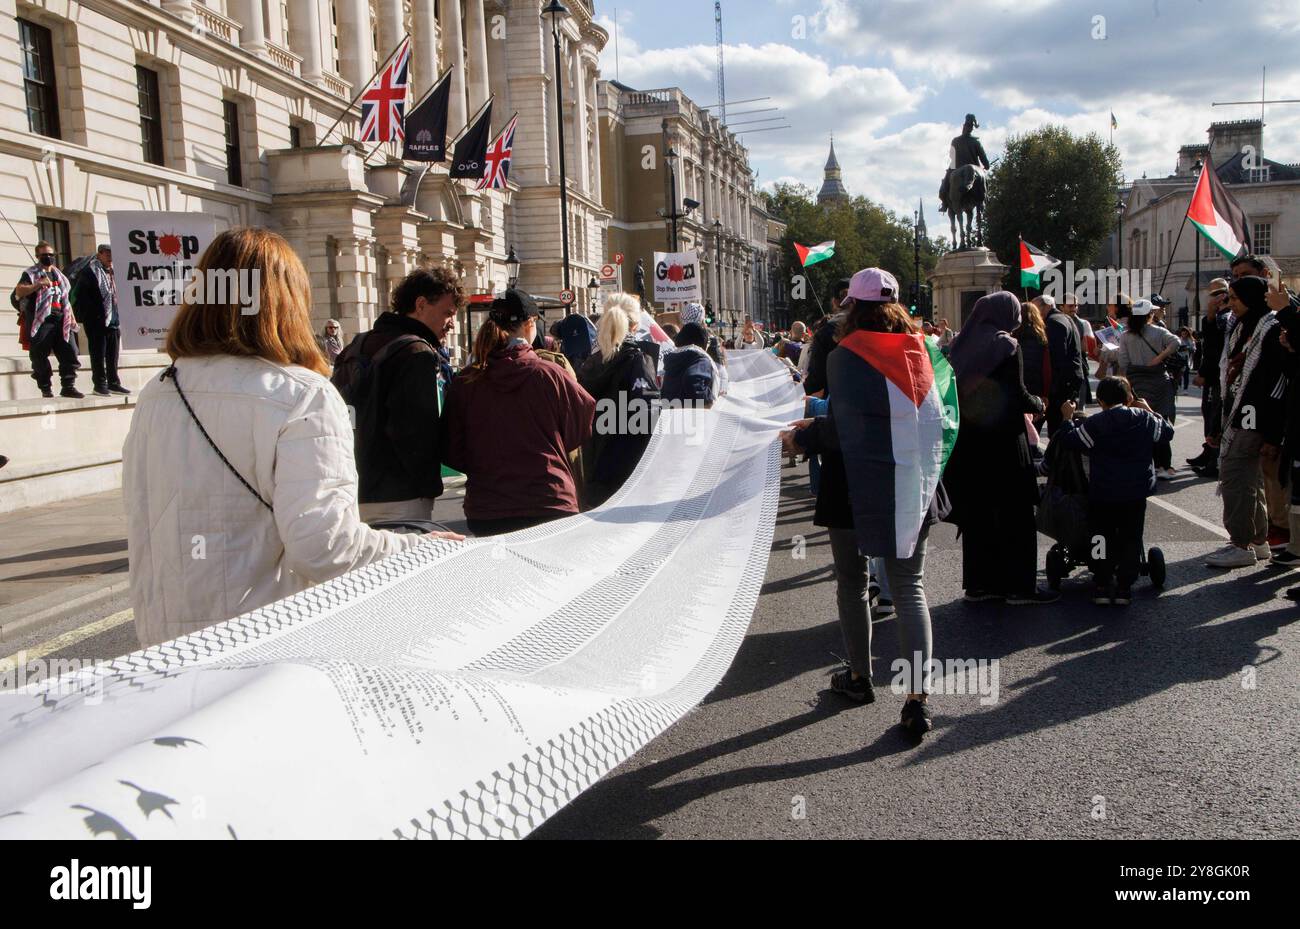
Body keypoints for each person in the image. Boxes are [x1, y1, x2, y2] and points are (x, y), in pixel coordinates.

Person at [122, 228, 457, 648]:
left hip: (162, 641)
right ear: (289, 302)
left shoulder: (158, 390)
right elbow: (324, 547)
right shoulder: (302, 394)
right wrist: (423, 548)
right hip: (261, 639)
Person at [782, 267, 938, 735]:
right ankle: (917, 699)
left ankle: (859, 676)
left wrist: (803, 437)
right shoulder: (923, 351)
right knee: (910, 587)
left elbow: (849, 431)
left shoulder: (846, 355)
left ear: (851, 305)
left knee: (851, 582)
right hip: (911, 480)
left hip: (853, 482)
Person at [443, 290, 595, 536]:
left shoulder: (467, 381)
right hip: (548, 499)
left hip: (488, 506)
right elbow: (580, 426)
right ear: (530, 324)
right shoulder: (550, 374)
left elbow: (452, 445)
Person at [945, 291, 1056, 604]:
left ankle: (980, 584)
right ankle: (1019, 586)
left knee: (979, 512)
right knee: (1015, 512)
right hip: (1004, 441)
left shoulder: (959, 345)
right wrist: (1038, 402)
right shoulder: (1006, 344)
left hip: (969, 441)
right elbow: (1017, 392)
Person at [335, 268, 464, 526]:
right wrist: (428, 485)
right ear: (420, 304)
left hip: (351, 488)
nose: (451, 323)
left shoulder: (357, 345)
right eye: (447, 313)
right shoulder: (417, 353)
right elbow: (415, 433)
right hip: (400, 496)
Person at [1056, 378, 1174, 606]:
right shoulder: (1145, 419)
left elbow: (1071, 441)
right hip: (1135, 491)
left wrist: (1067, 419)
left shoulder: (1097, 423)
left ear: (1100, 401)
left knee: (1100, 537)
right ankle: (1124, 586)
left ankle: (1101, 580)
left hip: (1104, 492)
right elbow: (1167, 434)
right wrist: (1149, 409)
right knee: (1131, 537)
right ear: (1130, 398)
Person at [1205, 276, 1289, 568]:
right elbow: (1226, 376)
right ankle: (1257, 540)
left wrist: (1272, 434)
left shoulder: (1271, 327)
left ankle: (1240, 544)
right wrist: (1219, 422)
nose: (1230, 304)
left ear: (1252, 298)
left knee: (1236, 476)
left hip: (1256, 416)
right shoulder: (1239, 326)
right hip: (1238, 412)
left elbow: (1277, 381)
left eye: (1235, 298)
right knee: (1249, 479)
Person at [577, 293, 661, 508]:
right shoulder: (638, 361)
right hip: (628, 473)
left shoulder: (589, 364)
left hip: (592, 467)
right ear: (635, 326)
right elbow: (648, 416)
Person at [1115, 299, 1180, 481]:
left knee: (1141, 422)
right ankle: (1164, 466)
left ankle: (1146, 463)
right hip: (1159, 379)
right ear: (1150, 314)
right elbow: (1175, 342)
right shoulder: (1158, 331)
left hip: (1136, 381)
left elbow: (1123, 362)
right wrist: (1159, 358)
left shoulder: (1126, 336)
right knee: (1161, 420)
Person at [12, 241, 81, 398]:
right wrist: (38, 284)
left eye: (51, 255)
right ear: (37, 256)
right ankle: (45, 388)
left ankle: (68, 386)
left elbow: (66, 299)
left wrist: (72, 317)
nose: (48, 257)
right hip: (42, 320)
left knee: (70, 351)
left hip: (61, 319)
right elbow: (19, 290)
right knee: (39, 354)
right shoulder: (30, 274)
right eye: (44, 255)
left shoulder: (60, 276)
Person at [70, 244, 128, 396]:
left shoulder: (114, 273)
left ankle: (114, 383)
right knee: (98, 353)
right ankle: (99, 384)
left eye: (112, 254)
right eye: (107, 254)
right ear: (99, 254)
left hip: (114, 320)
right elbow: (83, 297)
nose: (110, 257)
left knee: (113, 354)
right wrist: (93, 315)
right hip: (97, 321)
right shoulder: (90, 272)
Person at [1189, 279, 1231, 477]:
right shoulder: (1217, 318)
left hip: (1218, 376)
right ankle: (1210, 454)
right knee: (1210, 415)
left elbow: (1214, 350)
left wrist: (1204, 373)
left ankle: (1214, 460)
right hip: (1216, 375)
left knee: (1216, 417)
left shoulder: (1226, 318)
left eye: (1218, 294)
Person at [1035, 293, 1085, 434]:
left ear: (1047, 306)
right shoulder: (1065, 318)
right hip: (1069, 380)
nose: (1034, 312)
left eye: (1036, 307)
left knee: (1056, 426)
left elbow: (1057, 358)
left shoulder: (1053, 322)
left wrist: (1049, 390)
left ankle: (1055, 455)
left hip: (1061, 385)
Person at [661, 322, 719, 408]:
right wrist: (707, 401)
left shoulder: (674, 358)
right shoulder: (699, 358)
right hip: (693, 417)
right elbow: (692, 379)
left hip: (671, 414)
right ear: (702, 340)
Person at [1014, 299, 1050, 418]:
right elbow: (1046, 367)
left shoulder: (1013, 338)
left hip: (1019, 387)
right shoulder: (1042, 339)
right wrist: (1045, 393)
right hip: (1037, 387)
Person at [1061, 293, 1094, 405]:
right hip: (1061, 369)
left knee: (1080, 405)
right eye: (1070, 306)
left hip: (1079, 367)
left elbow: (1087, 347)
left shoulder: (1084, 324)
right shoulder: (1056, 322)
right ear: (1062, 306)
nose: (1074, 309)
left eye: (1076, 305)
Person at [1176, 326, 1196, 391]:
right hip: (1179, 358)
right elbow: (1175, 348)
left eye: (1185, 333)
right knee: (1179, 373)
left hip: (1186, 358)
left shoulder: (1190, 340)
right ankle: (1179, 386)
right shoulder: (1178, 339)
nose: (1184, 335)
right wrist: (1180, 348)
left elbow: (1194, 348)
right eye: (1183, 333)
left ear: (1187, 333)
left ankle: (1185, 388)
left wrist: (1188, 348)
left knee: (1186, 374)